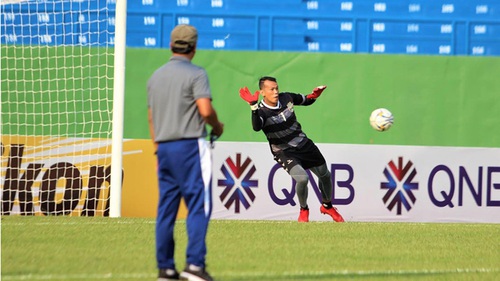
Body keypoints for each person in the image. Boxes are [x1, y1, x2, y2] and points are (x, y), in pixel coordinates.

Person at [147, 24, 224, 281]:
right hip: (191, 145)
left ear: (171, 45)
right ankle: (194, 266)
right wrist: (218, 124)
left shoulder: (155, 76)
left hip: (164, 147)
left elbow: (151, 117)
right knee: (198, 206)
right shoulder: (196, 74)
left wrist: (157, 147)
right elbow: (204, 109)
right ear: (193, 47)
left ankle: (165, 268)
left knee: (166, 209)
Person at [239, 76, 344, 223]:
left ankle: (327, 206)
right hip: (284, 151)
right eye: (271, 89)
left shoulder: (286, 97)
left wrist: (314, 95)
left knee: (325, 175)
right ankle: (304, 210)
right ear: (262, 92)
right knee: (302, 179)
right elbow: (257, 127)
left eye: (276, 88)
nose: (275, 92)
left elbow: (306, 100)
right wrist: (253, 106)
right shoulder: (262, 111)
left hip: (304, 144)